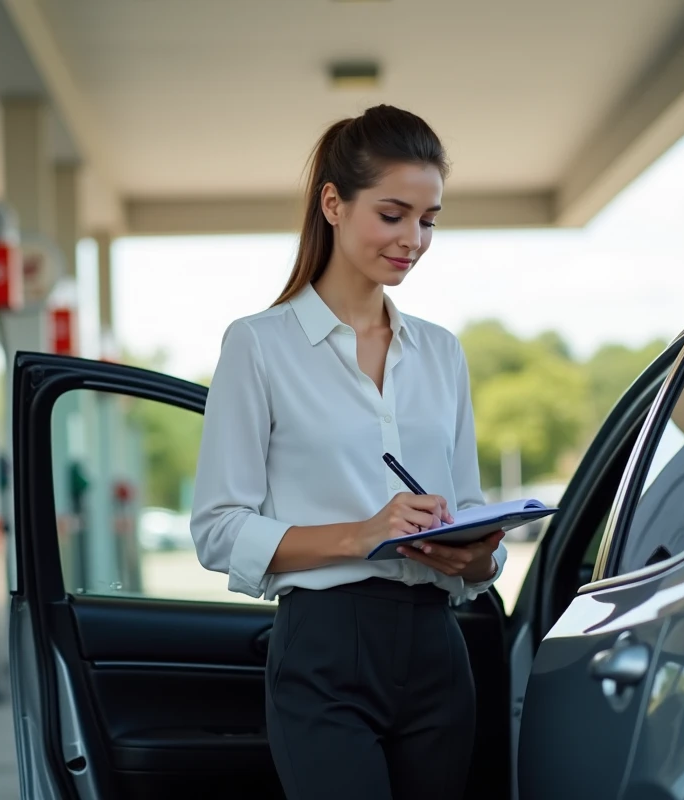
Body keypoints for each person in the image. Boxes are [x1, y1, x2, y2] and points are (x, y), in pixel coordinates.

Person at [189, 104, 508, 800]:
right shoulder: (259, 346)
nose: (414, 239)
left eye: (429, 220)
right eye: (393, 214)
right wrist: (363, 535)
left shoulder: (442, 352)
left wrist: (479, 554)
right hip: (325, 648)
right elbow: (218, 529)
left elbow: (472, 504)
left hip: (437, 646)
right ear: (333, 203)